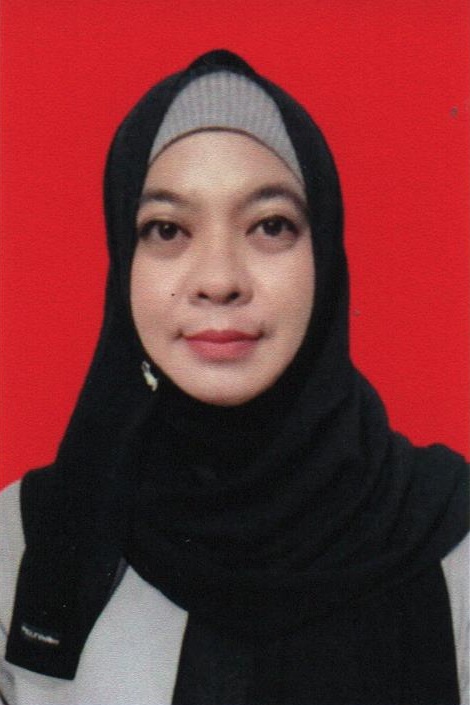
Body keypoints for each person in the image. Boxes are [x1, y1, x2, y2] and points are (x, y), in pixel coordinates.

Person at [0, 49, 468, 705]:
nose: (219, 279)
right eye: (167, 229)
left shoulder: (455, 538)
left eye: (270, 226)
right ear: (123, 261)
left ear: (324, 254)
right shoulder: (25, 543)